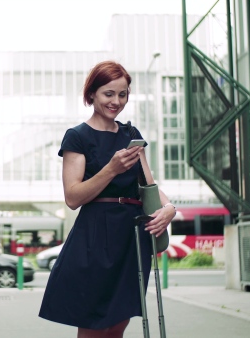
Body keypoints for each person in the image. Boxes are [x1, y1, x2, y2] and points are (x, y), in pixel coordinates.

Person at [38, 60, 176, 338]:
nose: (116, 101)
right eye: (108, 94)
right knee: (94, 324)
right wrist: (111, 169)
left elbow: (148, 185)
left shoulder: (131, 135)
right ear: (92, 95)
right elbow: (73, 197)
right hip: (95, 238)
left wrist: (169, 208)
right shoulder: (77, 137)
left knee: (118, 325)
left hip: (130, 237)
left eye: (122, 94)